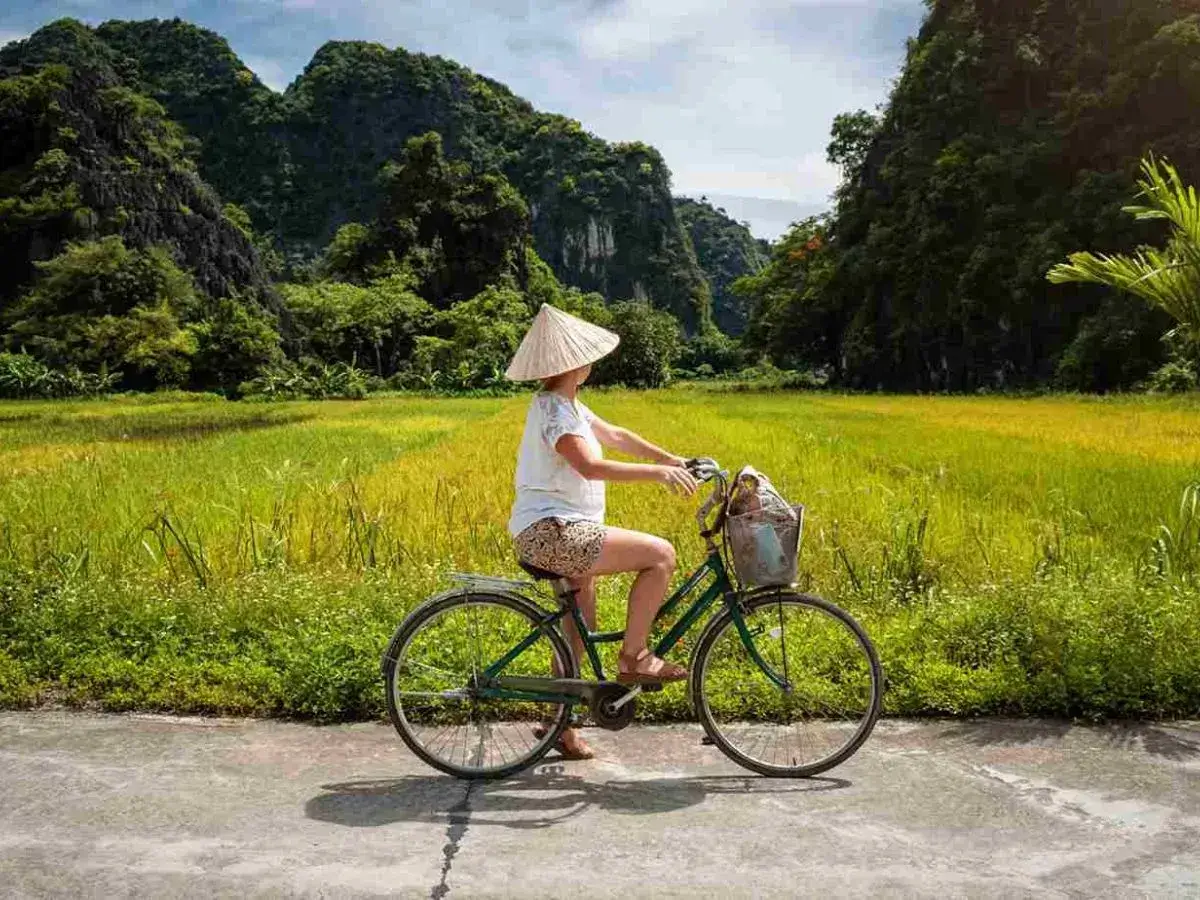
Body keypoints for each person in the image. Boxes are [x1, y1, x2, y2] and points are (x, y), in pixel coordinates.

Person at [506, 304, 698, 760]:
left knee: (576, 634)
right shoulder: (555, 411)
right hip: (553, 533)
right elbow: (589, 466)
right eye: (587, 358)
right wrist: (656, 476)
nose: (591, 364)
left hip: (560, 532)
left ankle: (560, 729)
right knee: (661, 555)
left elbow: (617, 435)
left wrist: (669, 458)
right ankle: (635, 658)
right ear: (576, 365)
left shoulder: (567, 404)